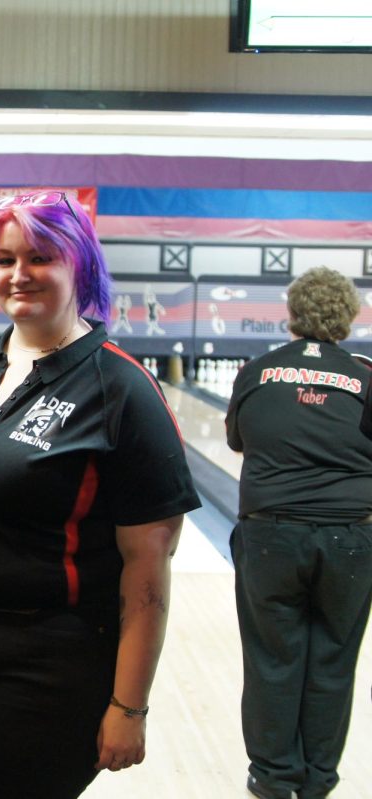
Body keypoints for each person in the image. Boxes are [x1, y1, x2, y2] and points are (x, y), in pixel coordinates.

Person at [0, 191, 199, 798]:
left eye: (41, 257)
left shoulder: (121, 390)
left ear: (80, 266)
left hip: (45, 660)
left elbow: (147, 570)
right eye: (4, 259)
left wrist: (130, 704)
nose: (19, 274)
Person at [225, 266, 372, 799]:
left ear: (290, 315)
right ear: (349, 318)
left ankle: (272, 777)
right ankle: (318, 780)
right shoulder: (367, 376)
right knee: (334, 657)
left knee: (271, 656)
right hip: (351, 538)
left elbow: (239, 442)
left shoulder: (257, 371)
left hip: (270, 535)